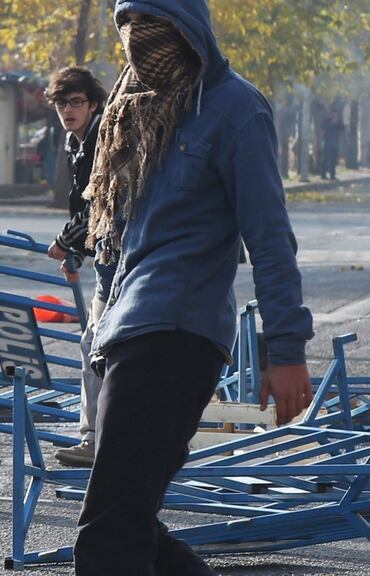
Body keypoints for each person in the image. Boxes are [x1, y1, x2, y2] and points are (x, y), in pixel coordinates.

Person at [73, 2, 315, 574]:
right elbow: (116, 233)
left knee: (108, 539)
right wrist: (101, 336)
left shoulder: (236, 110)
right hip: (127, 334)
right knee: (134, 527)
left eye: (155, 31)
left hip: (179, 336)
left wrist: (287, 351)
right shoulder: (132, 110)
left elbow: (271, 239)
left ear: (191, 32)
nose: (141, 47)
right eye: (129, 31)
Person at [42, 67, 113, 468]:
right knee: (97, 345)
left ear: (93, 103)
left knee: (98, 346)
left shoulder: (102, 137)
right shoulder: (75, 139)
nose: (67, 110)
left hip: (125, 259)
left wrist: (65, 243)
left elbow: (98, 203)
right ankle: (100, 437)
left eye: (76, 102)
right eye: (61, 103)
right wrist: (76, 255)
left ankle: (99, 440)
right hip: (107, 257)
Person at [321, 110, 342, 180]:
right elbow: (323, 130)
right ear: (331, 114)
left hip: (335, 142)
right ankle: (323, 174)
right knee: (326, 159)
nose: (334, 116)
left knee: (333, 159)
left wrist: (337, 122)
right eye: (333, 114)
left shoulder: (338, 122)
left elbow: (342, 128)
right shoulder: (327, 121)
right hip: (328, 142)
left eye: (336, 114)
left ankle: (332, 175)